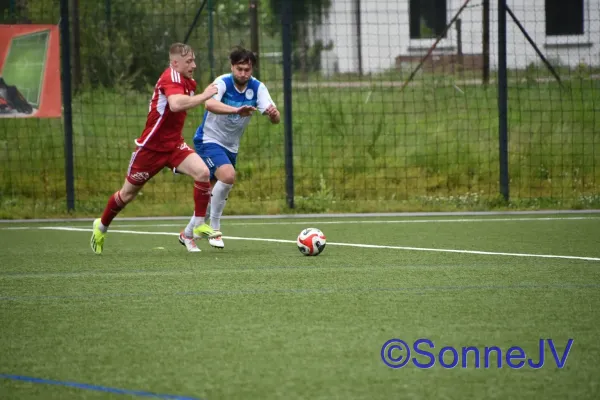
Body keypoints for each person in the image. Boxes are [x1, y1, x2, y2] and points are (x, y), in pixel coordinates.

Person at [90, 43, 255, 254]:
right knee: (127, 195)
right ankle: (101, 226)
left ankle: (197, 226)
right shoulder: (170, 77)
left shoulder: (188, 81)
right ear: (175, 63)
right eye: (189, 61)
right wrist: (205, 96)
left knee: (203, 172)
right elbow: (176, 104)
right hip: (151, 148)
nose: (194, 65)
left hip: (174, 145)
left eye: (194, 60)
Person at [178, 46, 280, 252]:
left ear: (252, 69)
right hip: (208, 140)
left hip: (231, 147)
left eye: (247, 70)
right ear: (232, 67)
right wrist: (236, 110)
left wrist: (273, 114)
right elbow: (209, 105)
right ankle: (215, 229)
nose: (243, 73)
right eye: (239, 69)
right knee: (228, 175)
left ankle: (187, 234)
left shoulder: (257, 88)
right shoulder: (222, 82)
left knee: (211, 195)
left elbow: (275, 119)